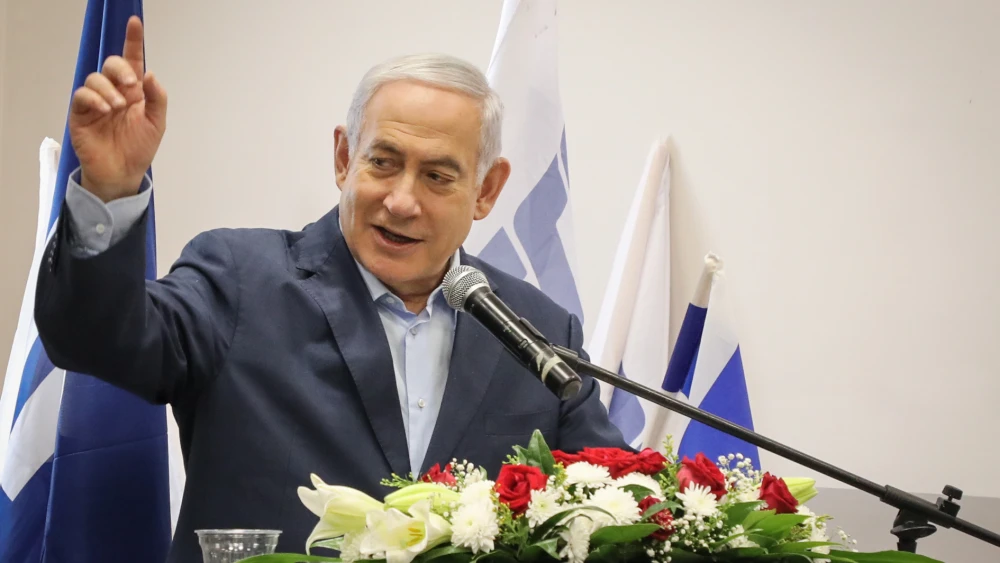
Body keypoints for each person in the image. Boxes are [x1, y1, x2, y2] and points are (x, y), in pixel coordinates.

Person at [34, 16, 627, 562]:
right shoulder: (239, 280)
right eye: (383, 162)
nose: (401, 200)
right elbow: (92, 339)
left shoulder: (537, 332)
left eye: (437, 176)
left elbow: (616, 502)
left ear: (486, 190)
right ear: (344, 158)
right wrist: (109, 192)